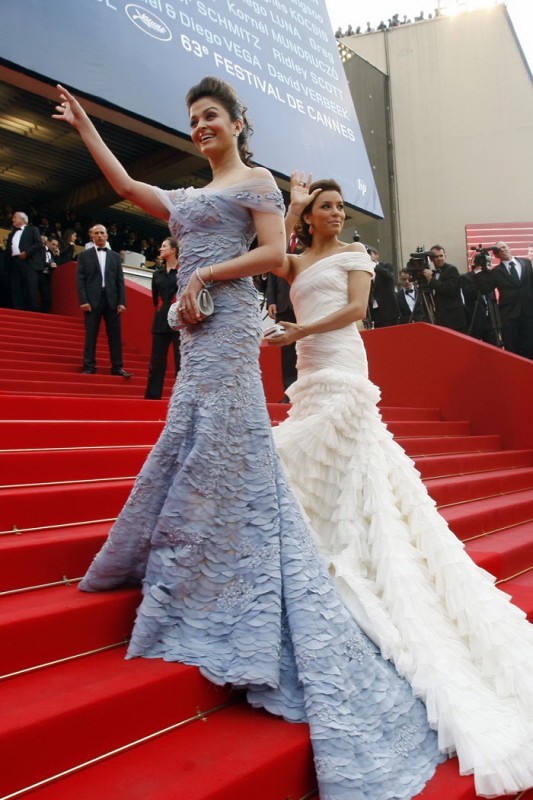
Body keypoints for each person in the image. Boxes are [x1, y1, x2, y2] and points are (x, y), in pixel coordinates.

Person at [53, 77, 443, 800]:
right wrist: (83, 128)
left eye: (211, 117)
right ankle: (192, 554)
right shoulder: (190, 194)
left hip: (227, 324)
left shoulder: (255, 181)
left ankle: (218, 569)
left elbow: (269, 257)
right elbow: (128, 184)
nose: (201, 125)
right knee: (189, 436)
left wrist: (204, 275)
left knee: (226, 446)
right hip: (198, 329)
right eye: (192, 118)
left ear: (238, 123)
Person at [267, 173, 533, 798]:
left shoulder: (357, 256)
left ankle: (345, 560)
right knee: (313, 468)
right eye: (324, 206)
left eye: (338, 206)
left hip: (343, 375)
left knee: (340, 477)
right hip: (307, 382)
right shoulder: (298, 255)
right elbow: (275, 252)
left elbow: (358, 312)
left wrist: (296, 334)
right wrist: (293, 205)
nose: (334, 214)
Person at [75, 223, 133, 377]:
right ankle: (89, 366)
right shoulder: (84, 256)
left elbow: (119, 280)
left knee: (115, 335)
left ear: (107, 235)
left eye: (102, 233)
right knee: (91, 334)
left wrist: (122, 302)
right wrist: (83, 300)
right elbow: (80, 280)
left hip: (112, 300)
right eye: (96, 233)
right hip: (92, 301)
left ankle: (117, 367)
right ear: (92, 236)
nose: (100, 235)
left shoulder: (115, 256)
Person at [474, 241, 533, 358]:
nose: (503, 250)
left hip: (529, 313)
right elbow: (485, 289)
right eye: (499, 249)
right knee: (513, 350)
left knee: (530, 347)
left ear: (509, 248)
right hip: (509, 316)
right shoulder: (495, 272)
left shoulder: (526, 263)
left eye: (504, 247)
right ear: (496, 255)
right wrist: (482, 270)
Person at [144, 236, 180, 400]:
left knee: (181, 362)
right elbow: (154, 298)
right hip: (160, 321)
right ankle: (152, 396)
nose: (160, 249)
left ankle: (181, 398)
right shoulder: (156, 274)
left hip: (181, 323)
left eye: (164, 246)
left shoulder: (183, 272)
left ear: (174, 250)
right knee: (156, 361)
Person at [421, 245, 467, 332]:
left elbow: (450, 289)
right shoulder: (433, 273)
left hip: (453, 319)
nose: (439, 258)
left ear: (445, 256)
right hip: (441, 318)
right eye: (436, 257)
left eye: (441, 256)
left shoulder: (451, 270)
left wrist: (431, 280)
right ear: (431, 259)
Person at [6, 211, 43, 310]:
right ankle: (17, 308)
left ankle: (31, 310)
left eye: (15, 217)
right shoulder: (11, 234)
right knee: (15, 286)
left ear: (22, 219)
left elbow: (39, 244)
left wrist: (26, 252)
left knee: (30, 286)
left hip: (28, 261)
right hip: (14, 262)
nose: (12, 219)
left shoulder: (32, 229)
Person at [367, 247, 400, 327]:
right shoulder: (366, 271)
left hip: (388, 309)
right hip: (374, 309)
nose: (368, 256)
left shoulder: (386, 266)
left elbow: (389, 276)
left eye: (369, 254)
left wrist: (374, 265)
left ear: (377, 255)